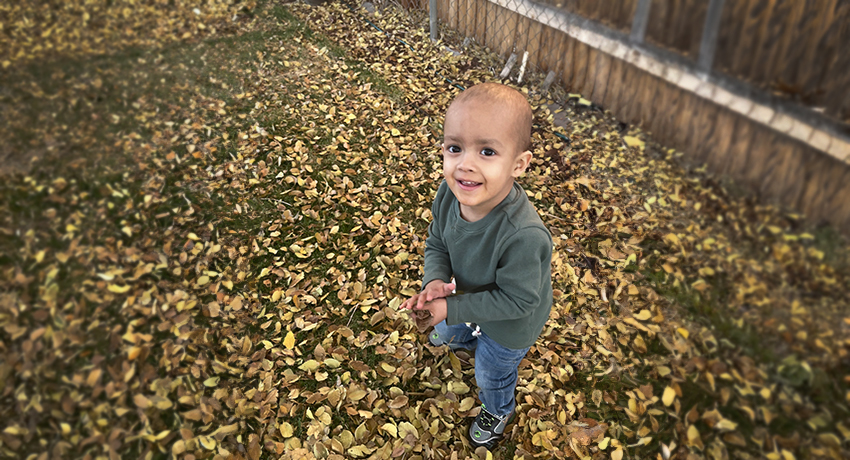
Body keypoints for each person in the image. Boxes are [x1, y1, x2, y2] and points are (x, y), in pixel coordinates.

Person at [402, 82, 553, 449]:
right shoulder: (449, 194)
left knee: (490, 372)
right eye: (455, 148)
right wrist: (436, 280)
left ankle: (498, 409)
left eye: (487, 151)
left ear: (518, 164)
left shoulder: (523, 235)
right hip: (469, 295)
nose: (465, 164)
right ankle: (463, 332)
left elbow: (518, 301)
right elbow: (437, 241)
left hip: (510, 324)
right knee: (453, 326)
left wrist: (451, 307)